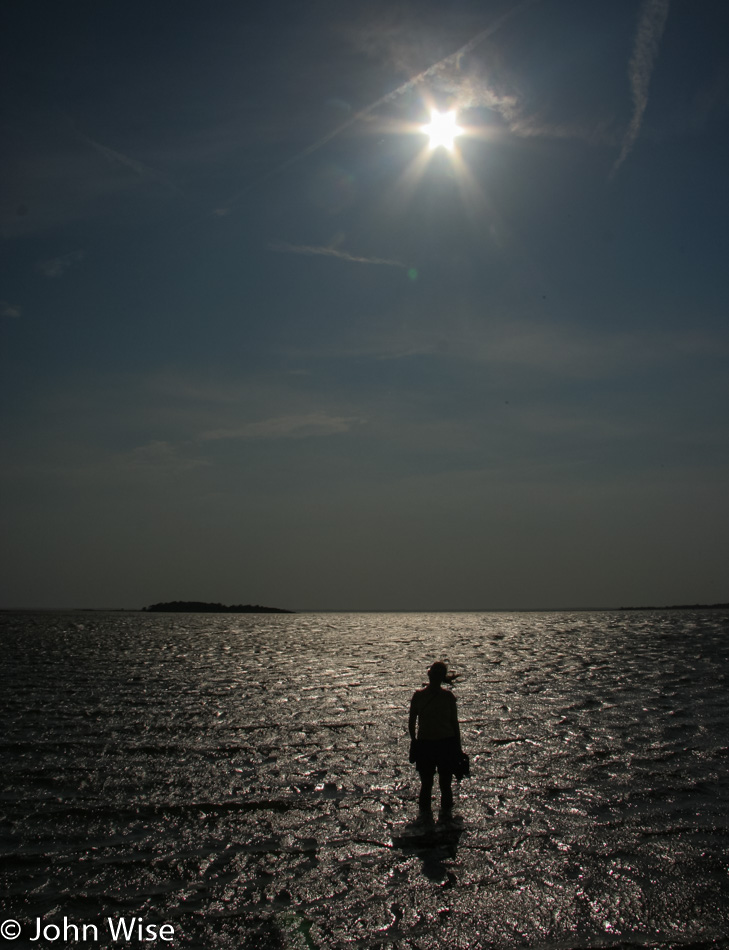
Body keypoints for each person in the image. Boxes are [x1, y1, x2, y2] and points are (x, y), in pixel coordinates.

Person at [408, 661, 461, 813]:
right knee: (443, 785)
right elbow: (454, 724)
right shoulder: (447, 697)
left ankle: (425, 821)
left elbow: (412, 724)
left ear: (429, 675)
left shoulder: (419, 696)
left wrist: (414, 742)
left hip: (429, 744)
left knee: (428, 784)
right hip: (444, 744)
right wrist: (458, 748)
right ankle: (445, 820)